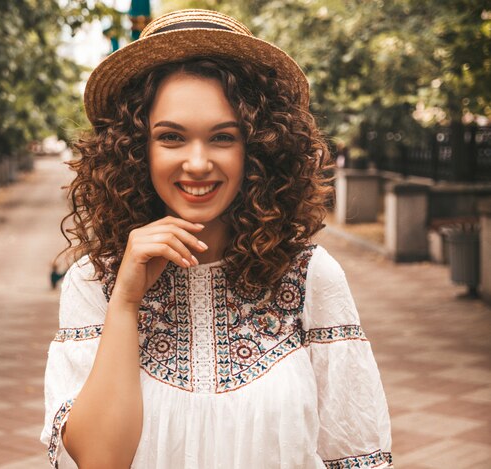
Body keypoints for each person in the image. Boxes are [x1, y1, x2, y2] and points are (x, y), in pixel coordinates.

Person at [41, 9, 394, 469]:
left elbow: (356, 455)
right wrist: (125, 301)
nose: (198, 163)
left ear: (258, 147)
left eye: (222, 137)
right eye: (171, 137)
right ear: (135, 148)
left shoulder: (309, 277)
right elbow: (101, 461)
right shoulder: (94, 281)